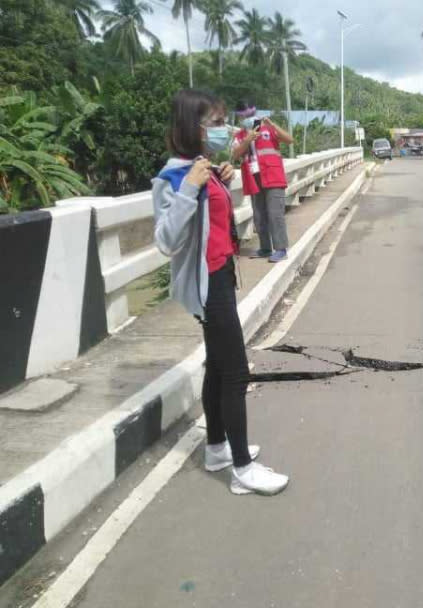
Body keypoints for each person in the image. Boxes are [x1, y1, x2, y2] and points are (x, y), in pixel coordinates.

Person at [152, 89, 289, 496]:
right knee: (235, 370)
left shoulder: (202, 166)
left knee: (217, 366)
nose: (221, 130)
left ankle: (216, 448)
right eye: (213, 123)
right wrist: (191, 188)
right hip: (207, 283)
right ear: (190, 126)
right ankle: (243, 470)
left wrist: (219, 180)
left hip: (222, 273)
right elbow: (166, 240)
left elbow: (213, 224)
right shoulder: (173, 176)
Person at [232, 102, 294, 263]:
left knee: (275, 215)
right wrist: (247, 140)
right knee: (259, 216)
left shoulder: (268, 129)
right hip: (253, 179)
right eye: (243, 116)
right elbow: (235, 155)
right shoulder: (239, 136)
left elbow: (289, 140)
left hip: (273, 176)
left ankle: (281, 249)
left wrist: (273, 125)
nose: (246, 118)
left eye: (249, 115)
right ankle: (265, 248)